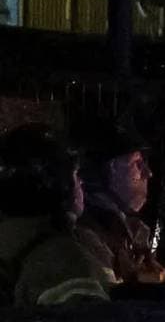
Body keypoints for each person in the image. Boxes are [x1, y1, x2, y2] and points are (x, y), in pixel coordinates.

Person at [0, 123, 113, 308]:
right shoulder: (64, 259)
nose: (81, 182)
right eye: (75, 174)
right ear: (60, 182)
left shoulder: (10, 243)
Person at [75, 121, 165, 288]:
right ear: (108, 170)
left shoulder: (130, 231)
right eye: (137, 163)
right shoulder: (85, 233)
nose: (148, 173)